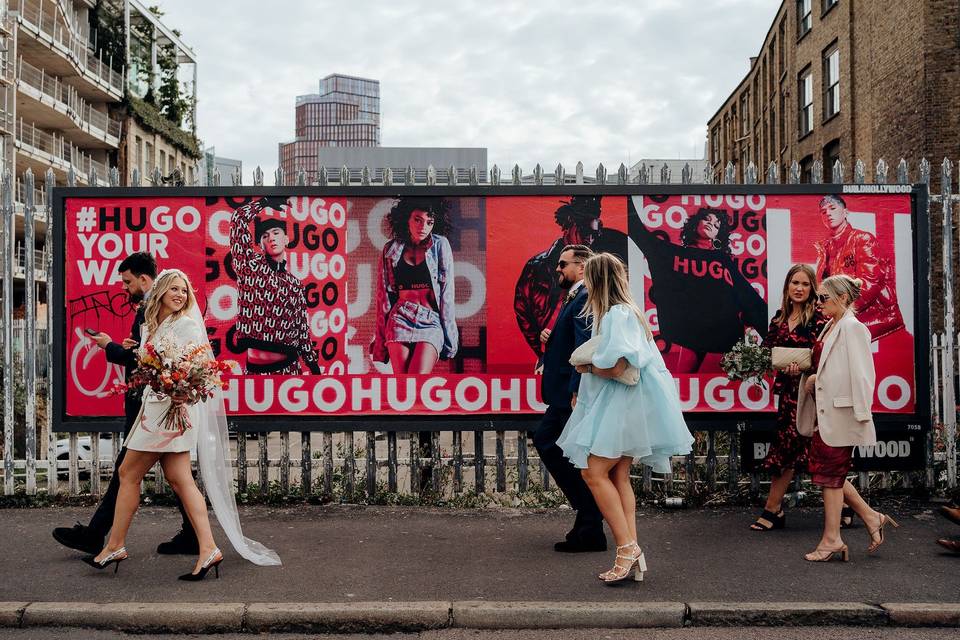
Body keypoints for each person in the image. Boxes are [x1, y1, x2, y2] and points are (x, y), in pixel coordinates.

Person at [84, 269, 280, 578]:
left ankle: (115, 545)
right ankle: (208, 549)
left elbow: (199, 369)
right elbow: (149, 361)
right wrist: (137, 352)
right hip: (158, 410)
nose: (180, 295)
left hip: (168, 413)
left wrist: (180, 390)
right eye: (174, 289)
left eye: (184, 290)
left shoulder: (186, 325)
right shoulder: (151, 326)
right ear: (160, 291)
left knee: (127, 472)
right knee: (180, 479)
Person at [557, 253, 694, 583]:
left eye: (589, 278)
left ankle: (626, 547)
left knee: (593, 471)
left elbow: (618, 367)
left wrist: (586, 367)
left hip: (624, 402)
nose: (585, 284)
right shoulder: (629, 311)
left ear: (599, 280)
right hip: (631, 403)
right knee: (618, 476)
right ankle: (630, 551)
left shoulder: (617, 314)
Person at [53, 253, 198, 556]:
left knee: (133, 471)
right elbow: (149, 353)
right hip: (153, 403)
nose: (124, 287)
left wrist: (110, 346)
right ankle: (194, 537)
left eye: (127, 281)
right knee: (171, 475)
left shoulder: (153, 307)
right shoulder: (151, 308)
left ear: (145, 279)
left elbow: (154, 360)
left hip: (152, 405)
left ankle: (101, 538)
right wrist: (133, 345)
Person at [797, 274, 899, 562]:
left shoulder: (853, 328)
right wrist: (815, 376)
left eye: (824, 298)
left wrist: (861, 416)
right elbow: (831, 367)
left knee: (830, 476)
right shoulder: (832, 325)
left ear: (842, 298)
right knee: (828, 473)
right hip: (825, 413)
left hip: (842, 414)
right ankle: (871, 516)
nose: (819, 303)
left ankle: (832, 540)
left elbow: (864, 375)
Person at [628, 199, 767, 373]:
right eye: (707, 219)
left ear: (718, 234)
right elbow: (639, 234)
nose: (711, 224)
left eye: (716, 224)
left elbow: (750, 299)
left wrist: (774, 344)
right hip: (685, 338)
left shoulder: (723, 260)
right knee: (679, 388)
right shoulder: (672, 253)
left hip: (721, 342)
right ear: (695, 224)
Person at [531, 244, 606, 553]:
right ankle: (589, 522)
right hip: (563, 392)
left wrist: (576, 389)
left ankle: (590, 521)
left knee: (555, 446)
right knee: (558, 447)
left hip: (569, 394)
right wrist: (550, 339)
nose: (558, 269)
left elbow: (585, 345)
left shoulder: (585, 295)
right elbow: (571, 339)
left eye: (564, 264)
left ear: (582, 266)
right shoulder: (573, 296)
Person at [750, 264, 827, 531]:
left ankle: (773, 510)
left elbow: (825, 357)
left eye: (805, 284)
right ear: (787, 286)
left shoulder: (818, 318)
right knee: (796, 450)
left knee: (804, 451)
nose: (799, 288)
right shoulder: (779, 318)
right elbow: (766, 352)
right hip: (787, 396)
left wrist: (804, 366)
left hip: (810, 394)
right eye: (795, 282)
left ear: (812, 289)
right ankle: (848, 508)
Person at [514, 196, 628, 368]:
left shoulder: (601, 271)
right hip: (553, 360)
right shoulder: (537, 266)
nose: (589, 239)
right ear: (569, 224)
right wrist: (544, 348)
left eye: (594, 234)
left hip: (581, 363)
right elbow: (522, 309)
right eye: (584, 232)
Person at [231, 197, 321, 375]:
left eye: (276, 232)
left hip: (290, 368)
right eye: (265, 236)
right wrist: (263, 202)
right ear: (260, 245)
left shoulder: (295, 285)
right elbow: (238, 219)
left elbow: (302, 330)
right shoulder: (250, 267)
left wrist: (313, 366)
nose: (271, 238)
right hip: (256, 371)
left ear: (286, 239)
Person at [371, 197, 458, 374]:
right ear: (406, 219)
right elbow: (383, 299)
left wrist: (450, 340)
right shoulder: (391, 249)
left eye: (429, 222)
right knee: (403, 388)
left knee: (417, 382)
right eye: (418, 220)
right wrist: (380, 344)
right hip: (400, 318)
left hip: (430, 321)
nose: (423, 226)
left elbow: (447, 296)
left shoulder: (440, 246)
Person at [814, 195, 904, 341]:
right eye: (823, 212)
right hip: (844, 324)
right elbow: (822, 290)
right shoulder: (825, 249)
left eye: (832, 208)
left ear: (845, 212)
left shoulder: (863, 239)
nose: (828, 214)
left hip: (875, 322)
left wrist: (838, 314)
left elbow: (870, 283)